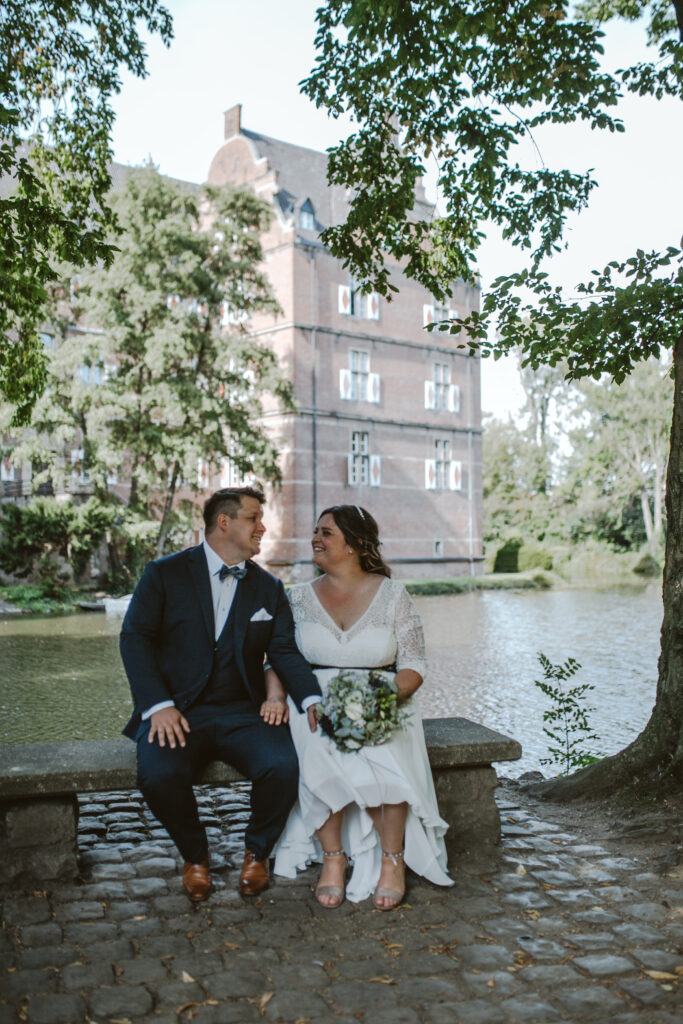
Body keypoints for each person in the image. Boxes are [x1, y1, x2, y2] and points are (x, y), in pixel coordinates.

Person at [119, 486, 321, 902]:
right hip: (178, 710)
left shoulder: (269, 588)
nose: (262, 527)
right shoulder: (165, 573)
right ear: (224, 522)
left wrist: (310, 698)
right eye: (253, 518)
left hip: (242, 711)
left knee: (282, 766)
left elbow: (282, 650)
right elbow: (135, 638)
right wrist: (158, 706)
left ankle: (257, 852)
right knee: (158, 775)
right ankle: (196, 856)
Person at [269, 504, 453, 909]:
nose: (315, 538)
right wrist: (277, 695)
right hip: (314, 698)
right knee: (318, 744)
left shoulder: (393, 595)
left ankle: (392, 860)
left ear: (353, 544)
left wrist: (383, 698)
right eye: (315, 531)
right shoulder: (296, 597)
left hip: (385, 696)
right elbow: (277, 658)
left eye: (326, 532)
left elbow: (415, 664)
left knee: (385, 752)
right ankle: (333, 858)